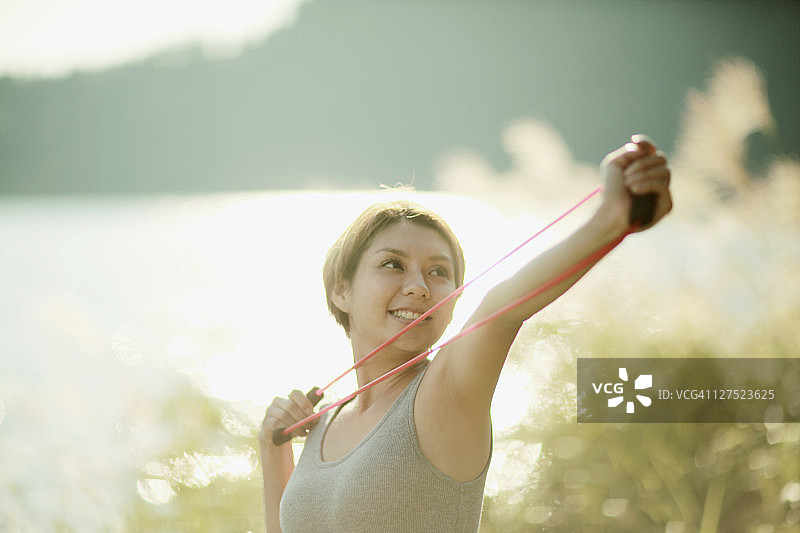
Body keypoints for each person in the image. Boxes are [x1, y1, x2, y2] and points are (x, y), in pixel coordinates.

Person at [258, 135, 672, 532]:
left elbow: (500, 311)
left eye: (439, 272)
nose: (419, 286)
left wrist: (612, 220)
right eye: (392, 264)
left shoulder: (447, 392)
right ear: (341, 289)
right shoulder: (322, 422)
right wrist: (272, 447)